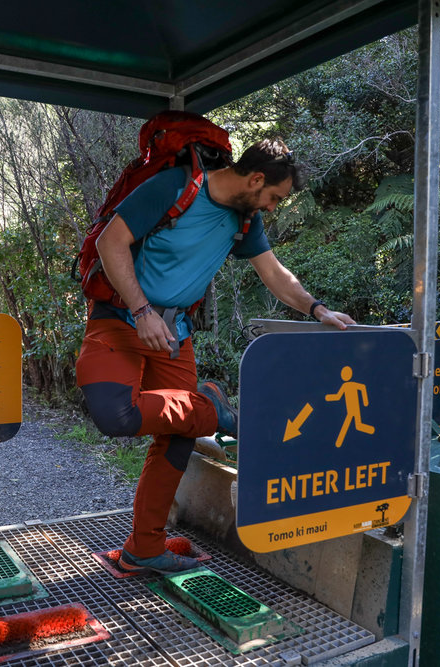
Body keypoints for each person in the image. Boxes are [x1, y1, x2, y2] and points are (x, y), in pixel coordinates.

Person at [75, 137, 355, 574]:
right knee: (115, 416)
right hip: (120, 316)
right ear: (256, 178)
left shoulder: (244, 220)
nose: (273, 207)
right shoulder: (174, 188)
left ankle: (144, 548)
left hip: (175, 332)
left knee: (179, 433)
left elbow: (275, 274)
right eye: (274, 198)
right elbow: (112, 243)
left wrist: (317, 309)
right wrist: (142, 311)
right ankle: (211, 405)